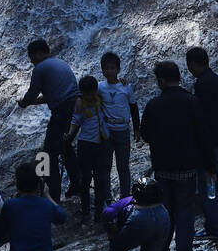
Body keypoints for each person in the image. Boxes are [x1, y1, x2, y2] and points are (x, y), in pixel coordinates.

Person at [140, 60, 215, 251]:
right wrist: (210, 166)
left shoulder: (153, 105)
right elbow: (204, 136)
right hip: (186, 170)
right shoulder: (191, 102)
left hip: (162, 170)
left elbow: (144, 134)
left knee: (164, 217)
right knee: (184, 217)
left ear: (161, 81)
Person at [18, 39, 81, 202]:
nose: (31, 61)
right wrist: (30, 102)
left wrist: (25, 103)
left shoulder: (40, 68)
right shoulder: (58, 63)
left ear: (39, 53)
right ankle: (77, 185)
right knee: (66, 147)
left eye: (31, 56)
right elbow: (51, 95)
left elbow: (33, 91)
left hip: (61, 111)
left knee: (48, 154)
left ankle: (52, 195)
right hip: (75, 109)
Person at [186, 46, 218, 240]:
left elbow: (201, 119)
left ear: (193, 64)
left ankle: (214, 228)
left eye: (189, 65)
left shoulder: (201, 85)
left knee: (208, 188)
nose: (189, 69)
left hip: (210, 144)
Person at [105, 178, 171, 251]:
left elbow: (107, 212)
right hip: (163, 217)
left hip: (140, 220)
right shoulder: (163, 207)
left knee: (116, 249)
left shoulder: (126, 201)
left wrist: (111, 232)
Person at [65, 75, 111, 221]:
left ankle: (98, 211)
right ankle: (85, 210)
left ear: (96, 90)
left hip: (101, 142)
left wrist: (122, 81)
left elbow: (113, 86)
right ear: (82, 92)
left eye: (92, 92)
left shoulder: (100, 98)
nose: (90, 95)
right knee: (85, 178)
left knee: (100, 178)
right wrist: (70, 134)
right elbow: (76, 120)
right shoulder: (80, 103)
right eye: (86, 93)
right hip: (85, 144)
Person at [99, 51, 140, 199]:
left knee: (123, 166)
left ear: (118, 69)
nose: (109, 71)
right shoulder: (99, 87)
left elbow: (134, 107)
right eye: (106, 68)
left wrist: (137, 129)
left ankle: (125, 198)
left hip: (123, 131)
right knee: (105, 166)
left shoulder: (126, 86)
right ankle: (107, 198)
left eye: (112, 68)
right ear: (102, 70)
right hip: (106, 132)